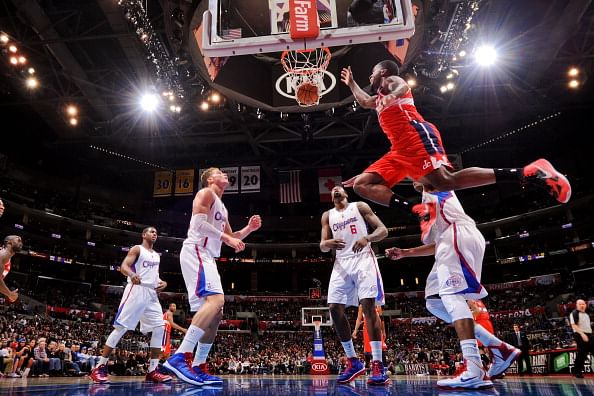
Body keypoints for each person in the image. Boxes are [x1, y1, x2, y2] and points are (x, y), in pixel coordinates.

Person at [340, 60, 571, 208]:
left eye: (371, 73)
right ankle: (417, 211)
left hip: (415, 135)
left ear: (381, 72)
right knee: (362, 184)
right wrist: (351, 84)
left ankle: (529, 171)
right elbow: (364, 101)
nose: (369, 78)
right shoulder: (377, 98)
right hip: (399, 148)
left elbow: (402, 85)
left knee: (444, 182)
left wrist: (394, 94)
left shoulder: (390, 82)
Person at [386, 182, 520, 389]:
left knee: (451, 295)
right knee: (434, 302)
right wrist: (406, 253)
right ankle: (499, 348)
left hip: (459, 235)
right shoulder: (426, 196)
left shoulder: (433, 181)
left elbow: (433, 165)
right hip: (449, 242)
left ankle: (474, 367)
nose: (411, 178)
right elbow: (438, 243)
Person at [164, 167, 261, 386]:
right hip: (197, 250)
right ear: (210, 179)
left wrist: (248, 229)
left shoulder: (222, 207)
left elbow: (231, 236)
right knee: (217, 300)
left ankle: (198, 365)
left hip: (207, 255)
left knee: (216, 313)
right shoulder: (206, 193)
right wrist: (228, 239)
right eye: (220, 172)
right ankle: (180, 356)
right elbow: (199, 225)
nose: (225, 174)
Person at [320, 186, 389, 385]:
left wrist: (367, 237)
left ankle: (377, 363)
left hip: (363, 259)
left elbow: (382, 230)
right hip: (341, 262)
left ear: (346, 194)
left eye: (338, 188)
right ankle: (353, 361)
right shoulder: (327, 215)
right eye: (332, 190)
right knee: (333, 307)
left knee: (368, 306)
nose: (335, 190)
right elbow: (322, 245)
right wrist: (327, 244)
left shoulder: (359, 206)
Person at [90, 227, 172, 384]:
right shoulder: (137, 249)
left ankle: (152, 370)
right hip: (136, 291)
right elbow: (124, 266)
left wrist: (163, 282)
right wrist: (132, 274)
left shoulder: (156, 255)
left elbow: (154, 275)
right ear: (143, 235)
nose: (155, 234)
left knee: (160, 327)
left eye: (156, 232)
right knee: (121, 328)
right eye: (151, 232)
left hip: (151, 294)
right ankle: (99, 368)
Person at [352, 304, 387, 370]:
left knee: (381, 348)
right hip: (367, 329)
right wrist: (355, 330)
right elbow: (359, 319)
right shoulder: (362, 305)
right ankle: (369, 367)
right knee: (368, 351)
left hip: (377, 328)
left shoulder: (377, 304)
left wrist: (383, 331)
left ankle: (384, 367)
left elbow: (382, 320)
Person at [569, 299, 594, 378]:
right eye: (580, 304)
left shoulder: (587, 314)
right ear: (576, 305)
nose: (582, 305)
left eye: (583, 304)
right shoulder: (574, 313)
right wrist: (582, 334)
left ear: (585, 305)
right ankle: (576, 371)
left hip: (589, 334)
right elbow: (574, 326)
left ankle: (576, 370)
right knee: (582, 354)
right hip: (580, 334)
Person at [0, 235, 23, 303]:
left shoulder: (7, 258)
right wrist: (10, 294)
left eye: (21, 241)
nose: (21, 243)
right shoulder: (2, 255)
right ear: (9, 242)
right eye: (18, 240)